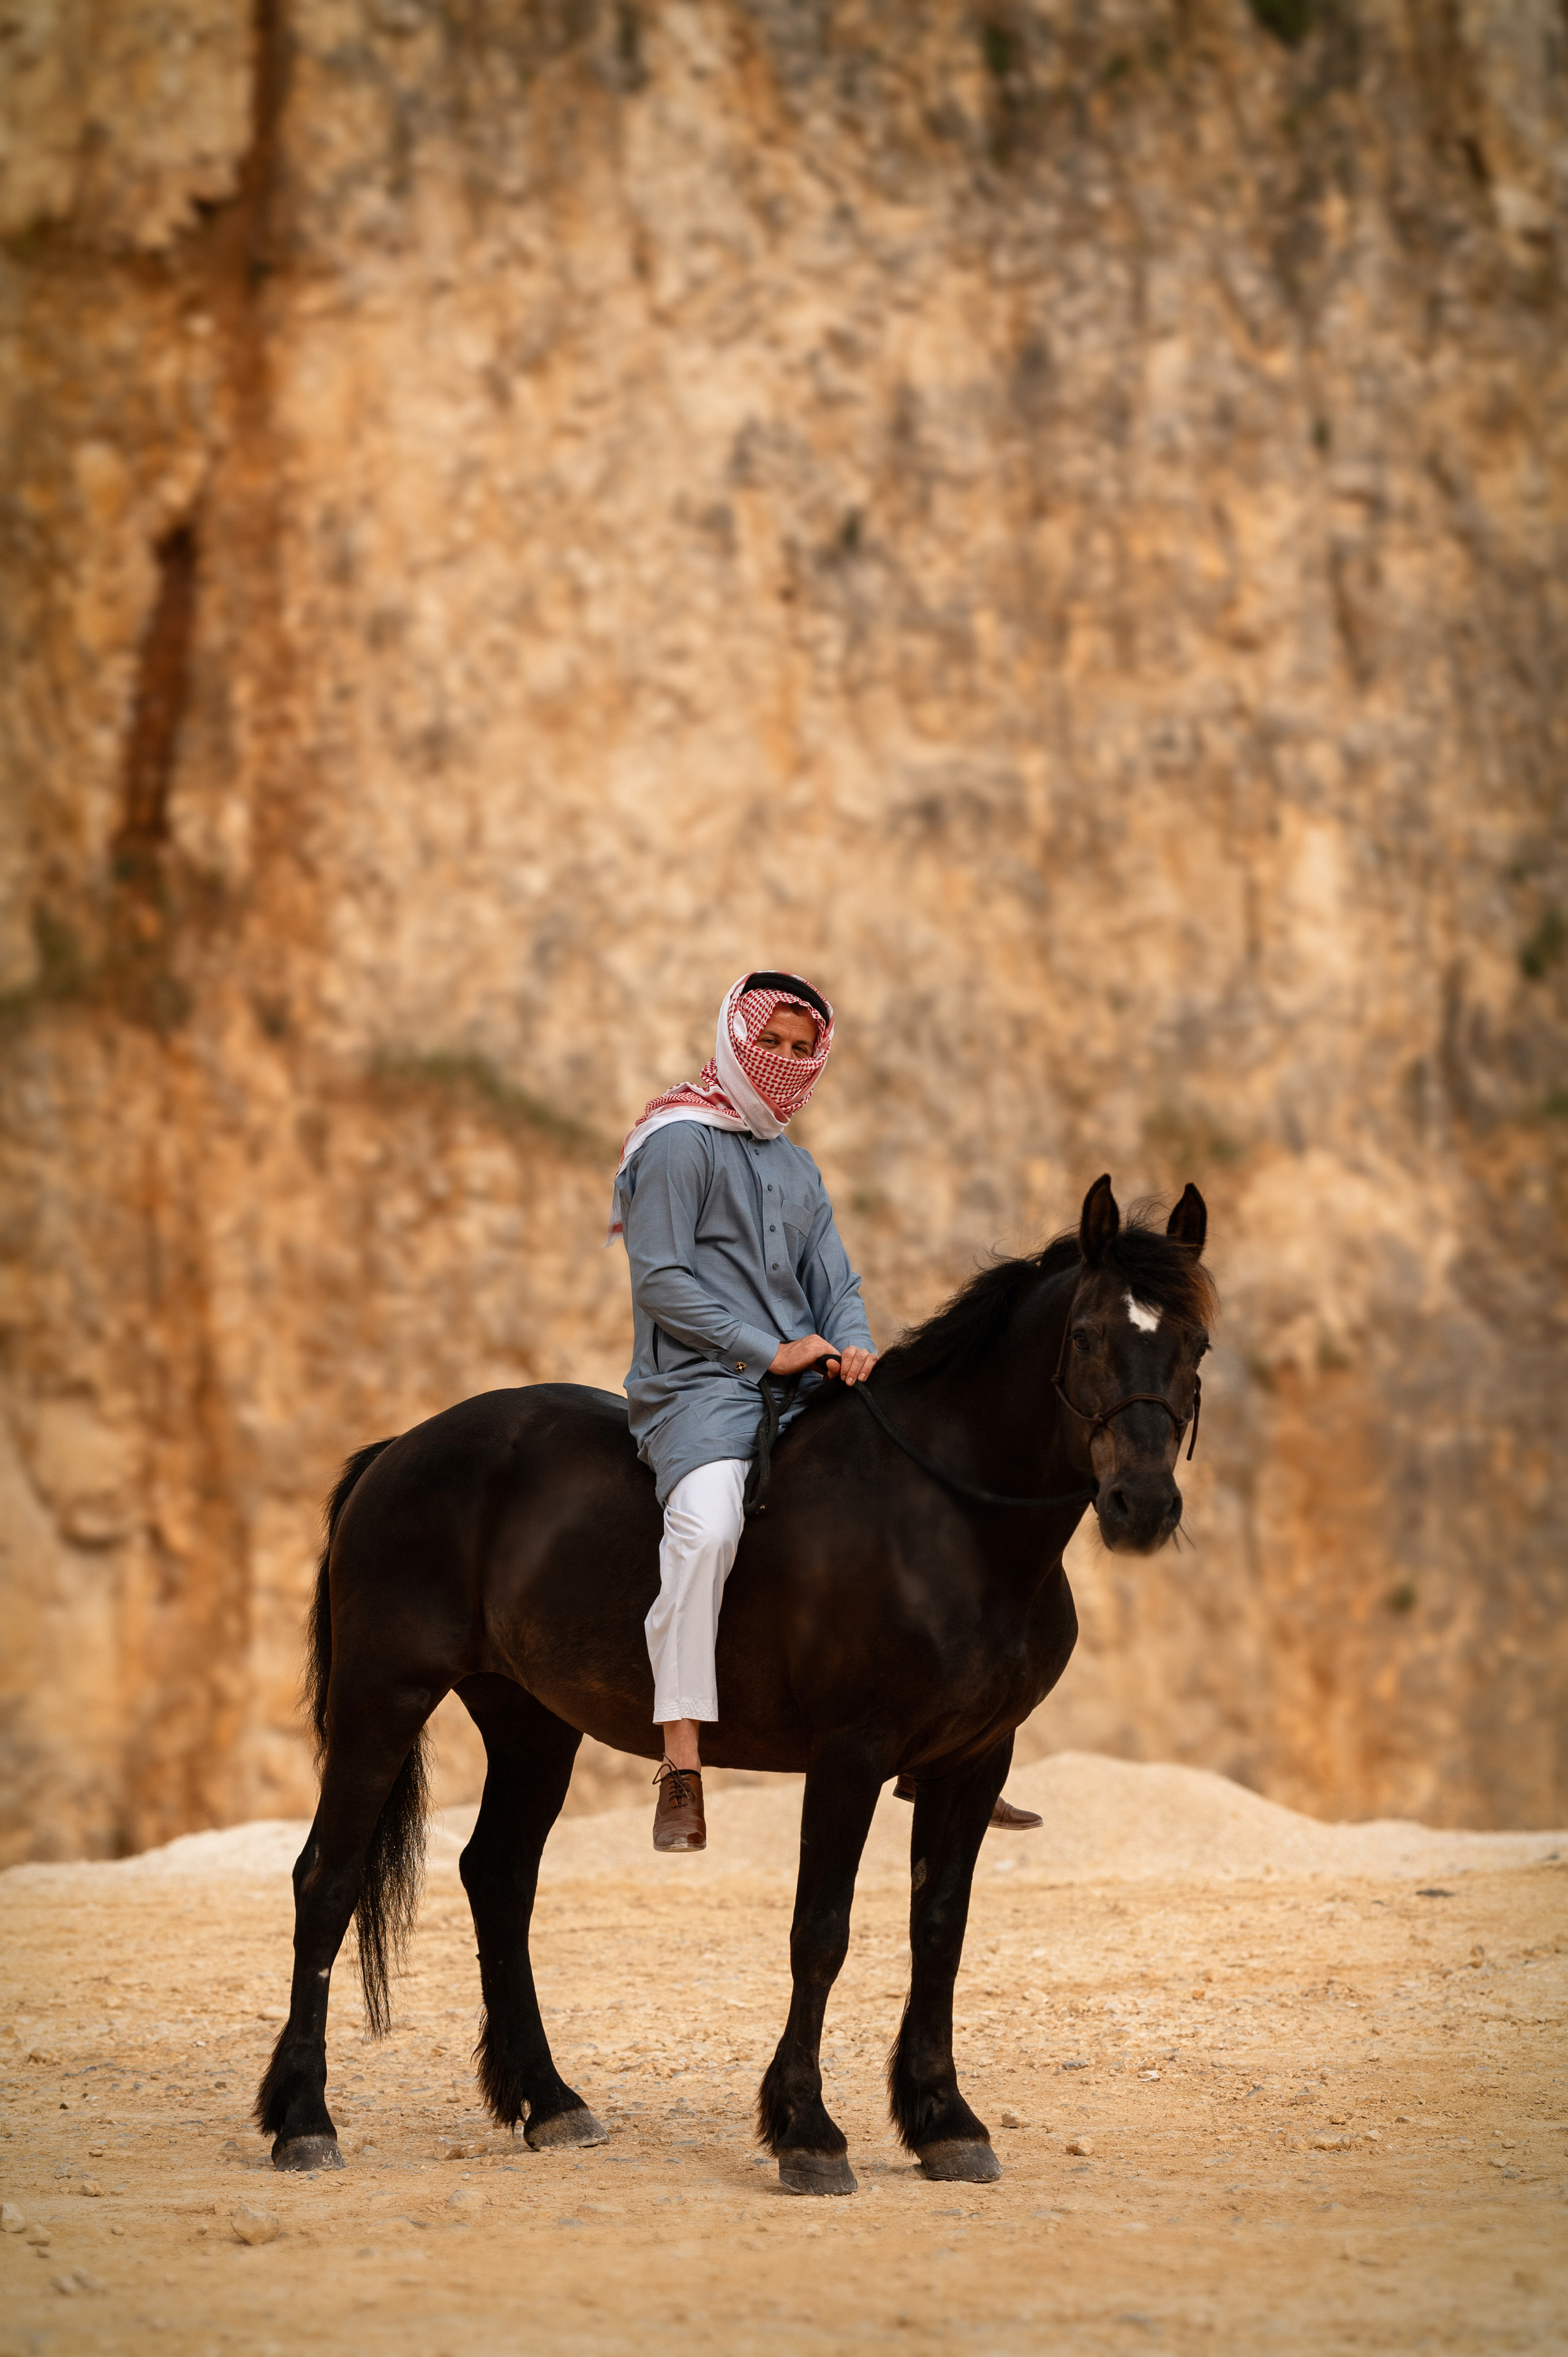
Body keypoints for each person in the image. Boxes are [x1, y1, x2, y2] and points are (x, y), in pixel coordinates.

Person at [612, 970, 1041, 1852]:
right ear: (734, 1036)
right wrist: (766, 1350)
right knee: (706, 1529)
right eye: (769, 1042)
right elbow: (660, 1281)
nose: (783, 1062)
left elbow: (834, 1283)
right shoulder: (677, 1144)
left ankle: (944, 1742)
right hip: (698, 1388)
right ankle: (683, 1760)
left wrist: (853, 1343)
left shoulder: (794, 1164)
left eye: (803, 1050)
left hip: (805, 1380)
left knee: (920, 1506)